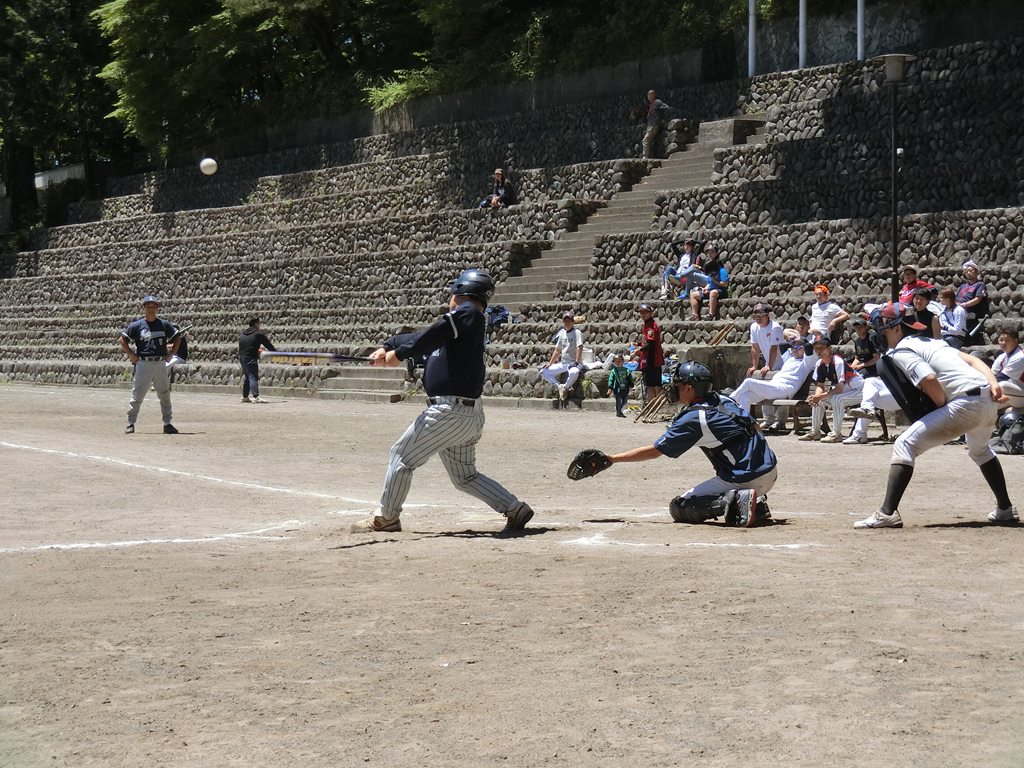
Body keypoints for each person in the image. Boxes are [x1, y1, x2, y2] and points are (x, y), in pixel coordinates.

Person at [352, 268, 534, 533]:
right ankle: (514, 508)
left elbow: (430, 333)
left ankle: (387, 517)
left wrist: (399, 354)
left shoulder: (469, 313)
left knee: (401, 456)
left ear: (462, 291)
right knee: (465, 477)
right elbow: (423, 336)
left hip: (449, 412)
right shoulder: (459, 328)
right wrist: (388, 345)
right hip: (464, 416)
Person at [854, 303, 1016, 528]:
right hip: (986, 399)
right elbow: (973, 360)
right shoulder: (932, 342)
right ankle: (1005, 509)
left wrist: (940, 405)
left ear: (898, 329)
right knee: (980, 450)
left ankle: (887, 513)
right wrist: (993, 382)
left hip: (964, 403)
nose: (879, 332)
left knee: (904, 444)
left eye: (884, 327)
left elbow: (929, 380)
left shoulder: (901, 350)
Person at [597, 362, 777, 527]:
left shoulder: (694, 417)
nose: (675, 388)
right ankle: (756, 505)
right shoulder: (725, 400)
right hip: (770, 469)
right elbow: (756, 427)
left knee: (679, 507)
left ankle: (736, 498)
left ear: (689, 388)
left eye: (678, 385)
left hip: (745, 476)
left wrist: (612, 459)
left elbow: (654, 452)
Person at [119, 295, 180, 434]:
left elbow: (177, 338)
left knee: (164, 394)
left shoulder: (164, 324)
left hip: (159, 363)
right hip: (144, 363)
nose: (151, 309)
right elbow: (123, 340)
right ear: (144, 308)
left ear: (157, 308)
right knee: (137, 394)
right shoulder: (137, 325)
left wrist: (171, 354)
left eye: (153, 306)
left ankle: (167, 423)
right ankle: (131, 422)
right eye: (148, 306)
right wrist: (131, 354)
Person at [731, 336, 816, 431]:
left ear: (804, 350)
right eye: (793, 348)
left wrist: (801, 343)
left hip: (785, 389)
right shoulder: (790, 358)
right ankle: (743, 425)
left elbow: (809, 346)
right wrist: (793, 343)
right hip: (774, 387)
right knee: (745, 396)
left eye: (799, 348)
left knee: (749, 382)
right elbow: (782, 345)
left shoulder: (806, 362)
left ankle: (728, 401)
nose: (795, 350)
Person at [845, 317, 899, 445]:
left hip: (875, 372)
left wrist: (861, 366)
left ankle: (856, 405)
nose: (858, 329)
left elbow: (876, 358)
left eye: (860, 327)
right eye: (856, 327)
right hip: (872, 378)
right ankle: (860, 409)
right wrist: (852, 368)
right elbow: (858, 358)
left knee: (866, 383)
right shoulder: (858, 341)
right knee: (857, 380)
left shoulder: (872, 338)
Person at [800, 336, 864, 443]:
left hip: (861, 391)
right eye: (816, 348)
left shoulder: (838, 362)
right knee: (819, 400)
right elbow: (820, 385)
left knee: (837, 399)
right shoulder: (819, 364)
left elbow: (839, 388)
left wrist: (820, 396)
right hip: (846, 392)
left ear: (830, 349)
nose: (819, 351)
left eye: (822, 347)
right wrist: (816, 397)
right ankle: (815, 431)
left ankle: (836, 434)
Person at [744, 303, 786, 429]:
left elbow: (774, 349)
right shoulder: (754, 327)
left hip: (781, 364)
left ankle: (781, 421)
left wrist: (769, 366)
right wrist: (754, 366)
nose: (758, 318)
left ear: (767, 316)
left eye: (761, 315)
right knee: (763, 389)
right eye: (756, 315)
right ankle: (768, 419)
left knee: (780, 392)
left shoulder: (775, 328)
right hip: (769, 363)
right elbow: (755, 348)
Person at [540, 311, 584, 402]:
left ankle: (566, 387)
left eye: (569, 321)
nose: (567, 323)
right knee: (543, 371)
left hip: (574, 362)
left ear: (572, 322)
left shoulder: (577, 332)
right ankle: (560, 386)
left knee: (574, 372)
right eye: (565, 321)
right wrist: (550, 363)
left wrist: (576, 362)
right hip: (564, 362)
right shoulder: (562, 333)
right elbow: (557, 350)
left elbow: (579, 347)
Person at [631, 303, 664, 402]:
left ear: (650, 313)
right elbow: (647, 342)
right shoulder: (648, 324)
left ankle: (652, 407)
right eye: (641, 312)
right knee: (655, 385)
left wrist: (639, 350)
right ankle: (655, 407)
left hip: (652, 359)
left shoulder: (650, 326)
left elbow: (651, 344)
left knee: (652, 386)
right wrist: (638, 344)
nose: (643, 314)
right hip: (653, 359)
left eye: (645, 312)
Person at [238, 317, 277, 403]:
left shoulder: (242, 334)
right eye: (259, 323)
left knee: (248, 377)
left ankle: (245, 396)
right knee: (253, 376)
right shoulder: (257, 334)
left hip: (242, 357)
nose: (260, 325)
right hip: (250, 357)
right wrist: (275, 353)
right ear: (255, 324)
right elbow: (268, 344)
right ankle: (256, 397)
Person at [688, 243, 728, 320]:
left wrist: (714, 280)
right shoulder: (710, 274)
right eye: (708, 253)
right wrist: (705, 288)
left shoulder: (722, 271)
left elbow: (725, 284)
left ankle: (711, 314)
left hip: (720, 291)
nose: (709, 254)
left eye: (711, 252)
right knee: (693, 294)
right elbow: (709, 283)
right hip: (710, 290)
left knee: (713, 292)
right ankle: (695, 315)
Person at [957, 260, 990, 345]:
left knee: (969, 318)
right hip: (958, 308)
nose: (969, 273)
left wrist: (964, 305)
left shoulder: (980, 284)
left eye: (971, 271)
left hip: (970, 309)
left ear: (976, 272)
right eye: (967, 271)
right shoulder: (962, 286)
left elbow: (978, 299)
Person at [992, 327, 1024, 409]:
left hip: (1019, 392)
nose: (1003, 343)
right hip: (1015, 394)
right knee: (987, 405)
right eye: (1001, 340)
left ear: (1016, 341)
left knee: (1002, 385)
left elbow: (1001, 378)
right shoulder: (1002, 357)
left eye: (1007, 340)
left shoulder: (1020, 356)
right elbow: (991, 375)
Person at [642, 90, 671, 159]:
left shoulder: (657, 102)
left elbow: (667, 108)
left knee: (645, 140)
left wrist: (662, 118)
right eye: (648, 96)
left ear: (654, 95)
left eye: (651, 95)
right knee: (649, 141)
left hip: (654, 124)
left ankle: (645, 157)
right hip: (650, 125)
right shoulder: (651, 105)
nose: (649, 97)